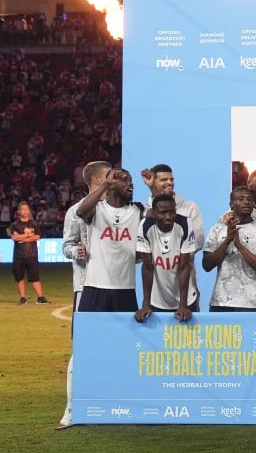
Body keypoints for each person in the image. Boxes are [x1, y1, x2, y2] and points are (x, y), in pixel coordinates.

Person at [57, 160, 109, 430]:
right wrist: (76, 252)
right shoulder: (76, 211)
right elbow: (66, 245)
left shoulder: (118, 211)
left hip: (114, 288)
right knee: (83, 349)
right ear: (99, 181)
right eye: (110, 176)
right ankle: (72, 407)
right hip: (86, 287)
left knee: (116, 345)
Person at [75, 167, 143, 312]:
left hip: (125, 287)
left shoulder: (138, 210)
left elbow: (160, 210)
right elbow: (80, 212)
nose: (130, 184)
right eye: (124, 180)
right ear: (111, 185)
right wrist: (105, 184)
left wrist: (152, 187)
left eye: (131, 181)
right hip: (95, 285)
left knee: (125, 335)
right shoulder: (97, 208)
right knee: (90, 333)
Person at [202, 186, 256, 311]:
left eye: (250, 199)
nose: (246, 202)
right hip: (220, 302)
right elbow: (207, 265)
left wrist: (239, 246)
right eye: (241, 199)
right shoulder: (217, 229)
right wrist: (227, 241)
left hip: (250, 303)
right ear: (231, 204)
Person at [134, 193, 198, 322]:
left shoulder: (185, 223)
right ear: (153, 213)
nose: (168, 217)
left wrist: (183, 305)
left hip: (186, 300)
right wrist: (145, 304)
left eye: (171, 212)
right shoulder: (145, 226)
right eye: (163, 213)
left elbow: (184, 266)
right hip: (157, 301)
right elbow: (147, 267)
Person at [140, 163, 204, 248]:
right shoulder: (144, 210)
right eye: (164, 180)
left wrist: (171, 255)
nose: (169, 182)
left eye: (171, 179)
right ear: (153, 182)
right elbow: (139, 245)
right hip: (152, 261)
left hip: (183, 261)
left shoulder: (190, 207)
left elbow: (198, 241)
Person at [8, 201, 48, 304]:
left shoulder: (34, 224)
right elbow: (14, 237)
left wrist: (22, 238)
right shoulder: (13, 225)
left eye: (26, 209)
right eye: (22, 209)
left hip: (32, 255)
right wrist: (28, 235)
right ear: (18, 211)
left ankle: (40, 297)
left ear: (29, 211)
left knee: (35, 277)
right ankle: (23, 297)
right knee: (19, 277)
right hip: (18, 255)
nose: (25, 211)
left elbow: (37, 237)